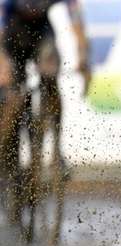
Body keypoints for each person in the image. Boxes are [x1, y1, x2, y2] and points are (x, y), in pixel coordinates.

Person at [0, 0, 91, 163]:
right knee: (11, 95)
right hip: (11, 30)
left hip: (42, 31)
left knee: (50, 76)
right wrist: (3, 63)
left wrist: (83, 55)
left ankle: (57, 146)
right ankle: (5, 154)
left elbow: (75, 16)